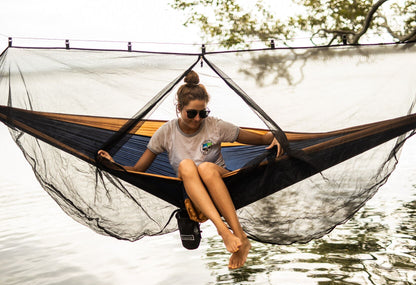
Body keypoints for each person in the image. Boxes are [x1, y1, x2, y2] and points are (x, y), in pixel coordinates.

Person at [98, 70, 283, 269]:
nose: (197, 119)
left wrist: (277, 137)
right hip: (187, 186)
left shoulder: (216, 126)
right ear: (179, 108)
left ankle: (238, 236)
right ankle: (224, 231)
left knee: (205, 168)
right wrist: (113, 164)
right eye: (192, 113)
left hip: (220, 178)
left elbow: (260, 139)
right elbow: (138, 169)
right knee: (186, 165)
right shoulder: (166, 132)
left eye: (203, 113)